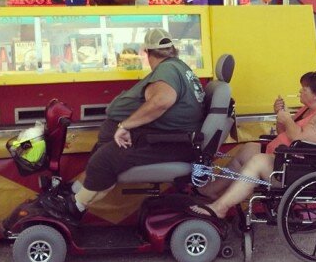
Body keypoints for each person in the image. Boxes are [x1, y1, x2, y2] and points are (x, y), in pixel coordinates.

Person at [42, 28, 206, 221]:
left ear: (147, 53)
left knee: (104, 160)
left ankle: (73, 208)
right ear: (173, 50)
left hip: (171, 142)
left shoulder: (168, 68)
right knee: (101, 153)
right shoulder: (179, 66)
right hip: (172, 139)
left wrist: (125, 126)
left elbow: (162, 100)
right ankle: (74, 193)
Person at [191, 71, 316, 217]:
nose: (300, 91)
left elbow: (301, 140)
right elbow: (284, 134)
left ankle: (220, 208)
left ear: (315, 94)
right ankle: (212, 190)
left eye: (304, 89)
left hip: (298, 168)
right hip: (286, 159)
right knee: (248, 149)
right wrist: (281, 115)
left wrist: (287, 119)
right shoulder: (308, 109)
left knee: (257, 161)